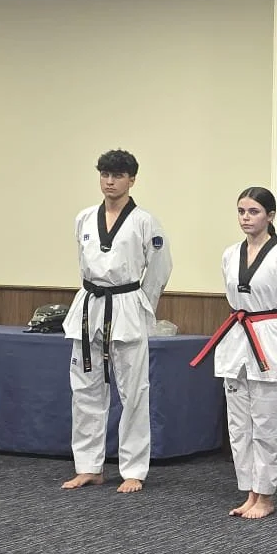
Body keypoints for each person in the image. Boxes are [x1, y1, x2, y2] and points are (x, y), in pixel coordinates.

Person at [190, 186, 277, 518]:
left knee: (266, 423)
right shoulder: (230, 254)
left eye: (253, 211)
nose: (246, 217)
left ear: (270, 216)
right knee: (239, 424)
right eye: (241, 211)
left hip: (269, 337)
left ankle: (266, 495)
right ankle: (250, 491)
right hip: (236, 337)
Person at [62, 150, 171, 494]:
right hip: (89, 305)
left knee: (133, 392)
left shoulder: (145, 221)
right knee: (85, 390)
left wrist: (141, 307)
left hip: (126, 306)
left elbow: (160, 269)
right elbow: (82, 263)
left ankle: (134, 469)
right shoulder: (84, 218)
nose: (110, 182)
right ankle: (88, 467)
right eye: (105, 175)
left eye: (118, 175)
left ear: (132, 180)